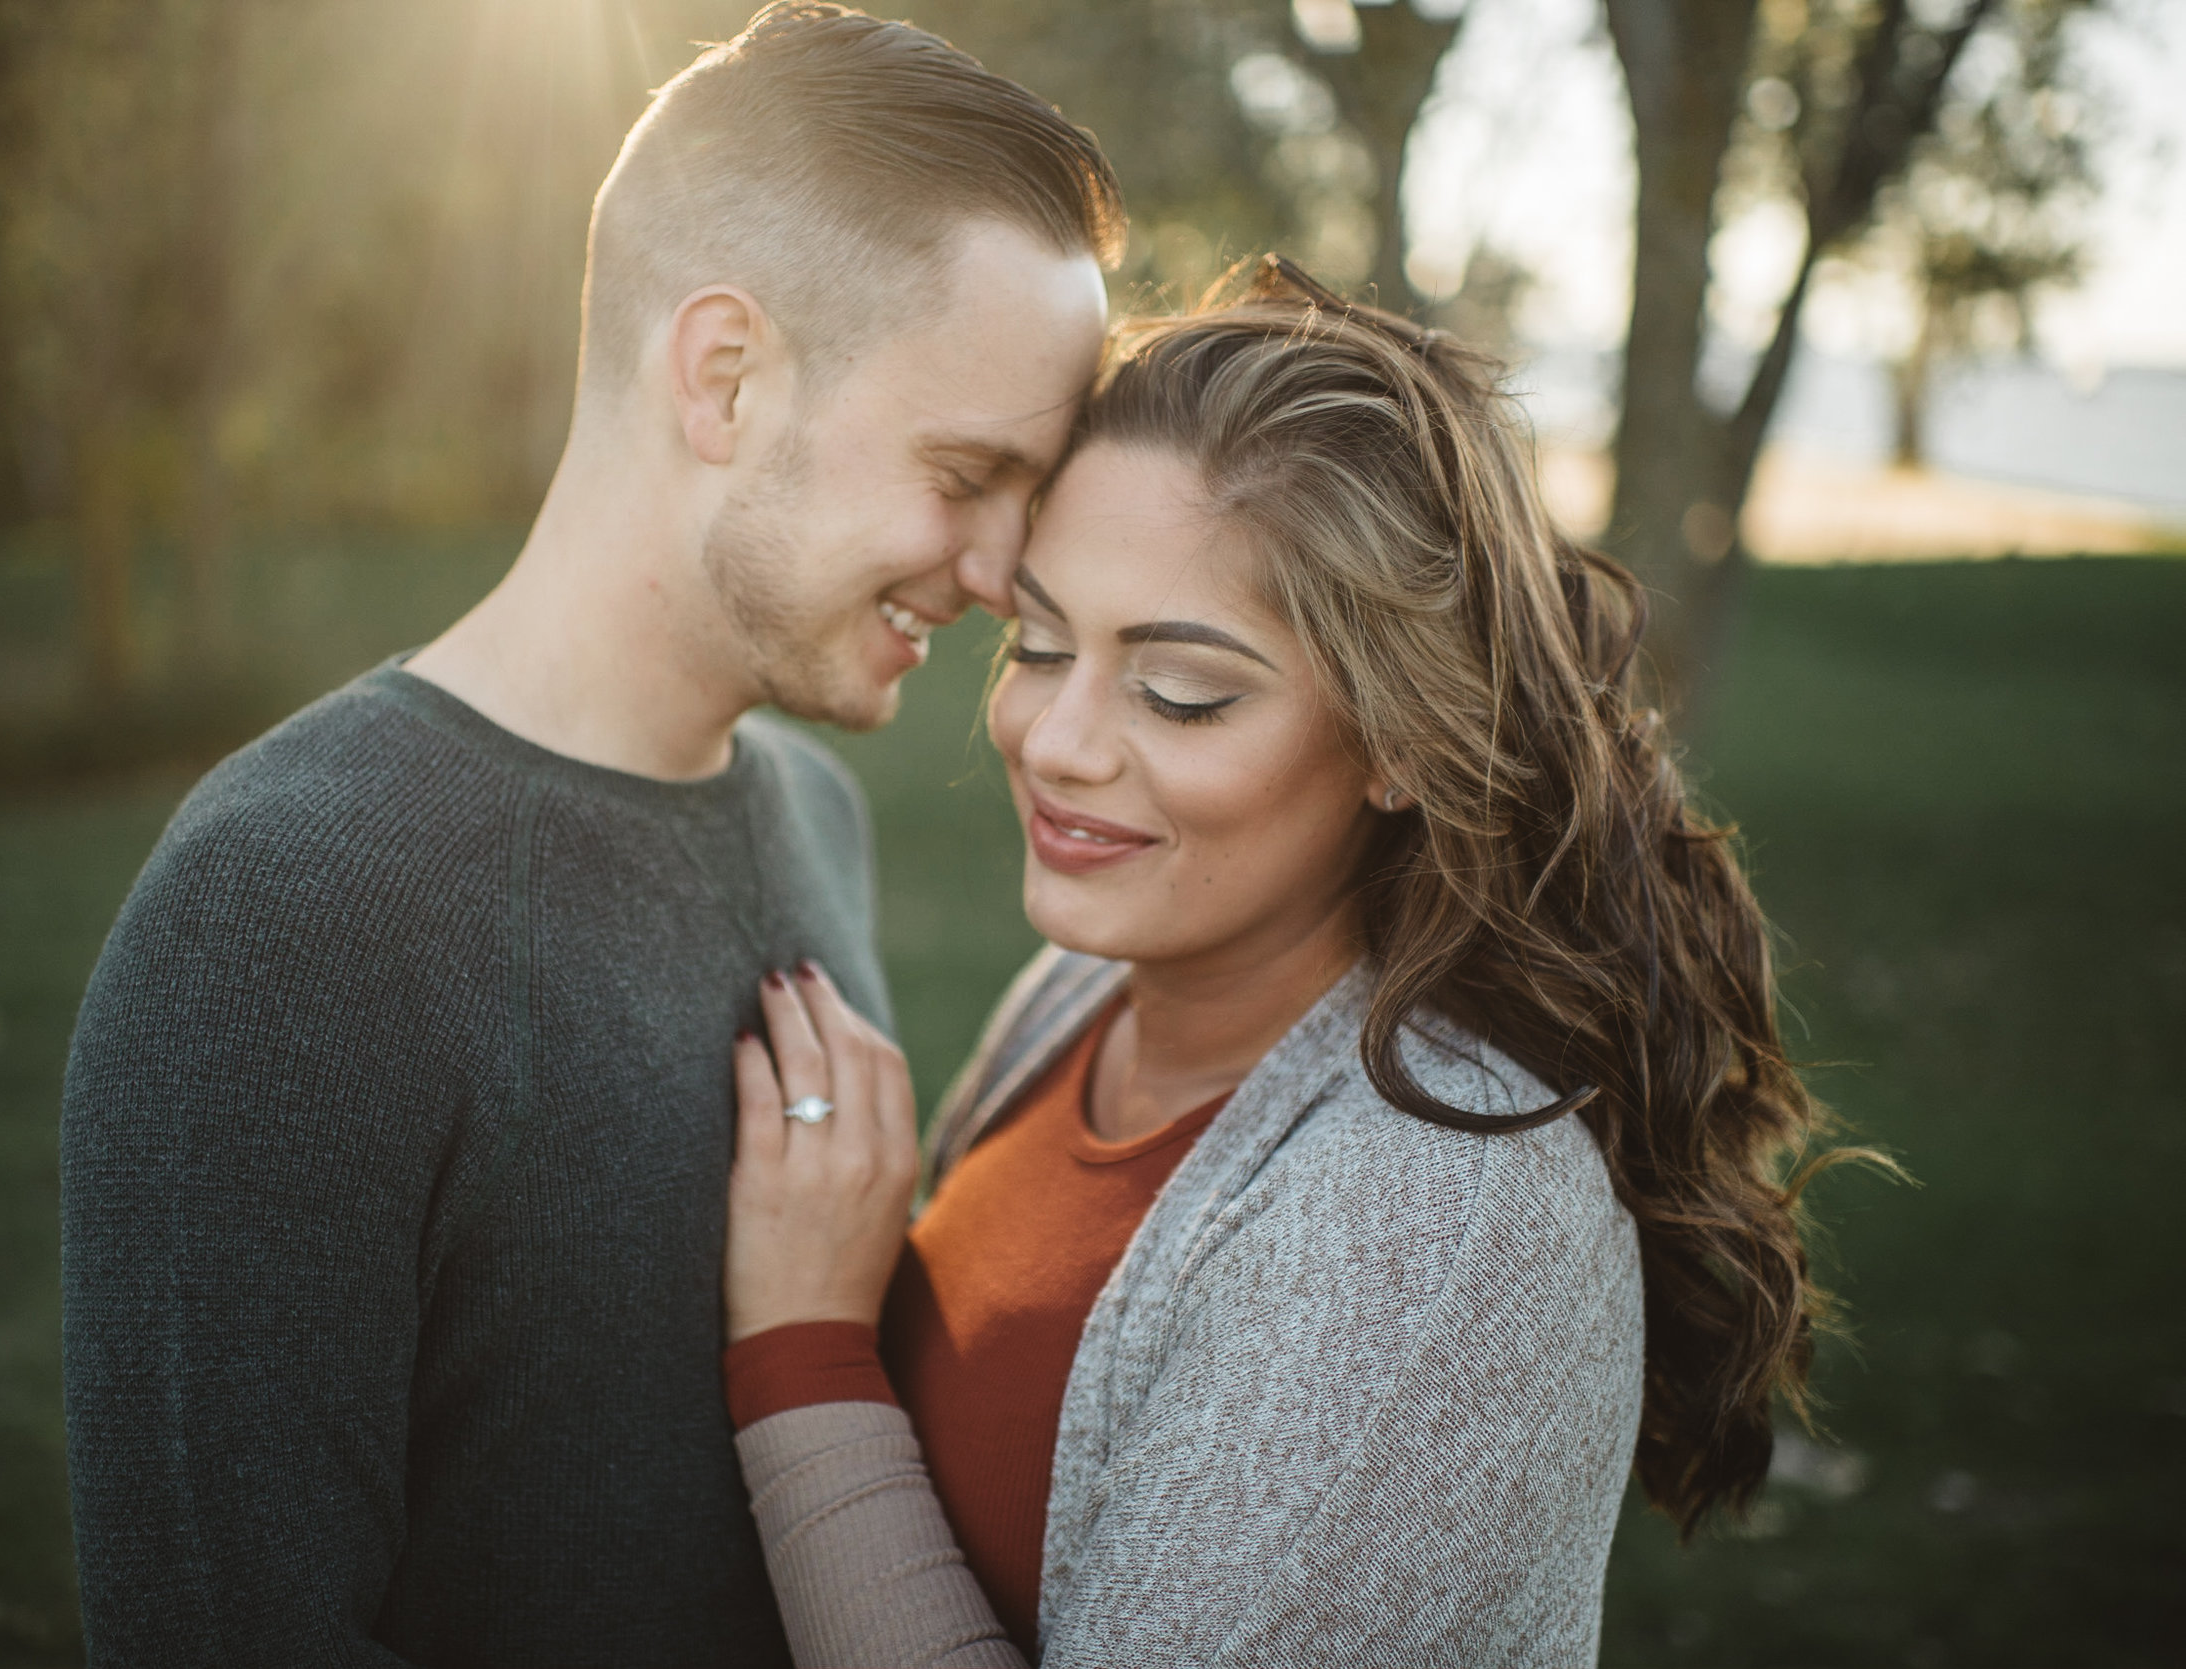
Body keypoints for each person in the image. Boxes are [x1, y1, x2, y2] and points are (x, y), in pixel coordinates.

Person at [57, 7, 1120, 1664]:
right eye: (965, 473)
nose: (998, 574)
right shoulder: (285, 910)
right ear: (724, 373)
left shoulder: (809, 818)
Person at [717, 260, 1841, 1668]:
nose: (1055, 739)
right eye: (1040, 640)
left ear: (1397, 745)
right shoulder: (1088, 995)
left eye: (1182, 690)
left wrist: (807, 1353)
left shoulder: (1442, 1222)